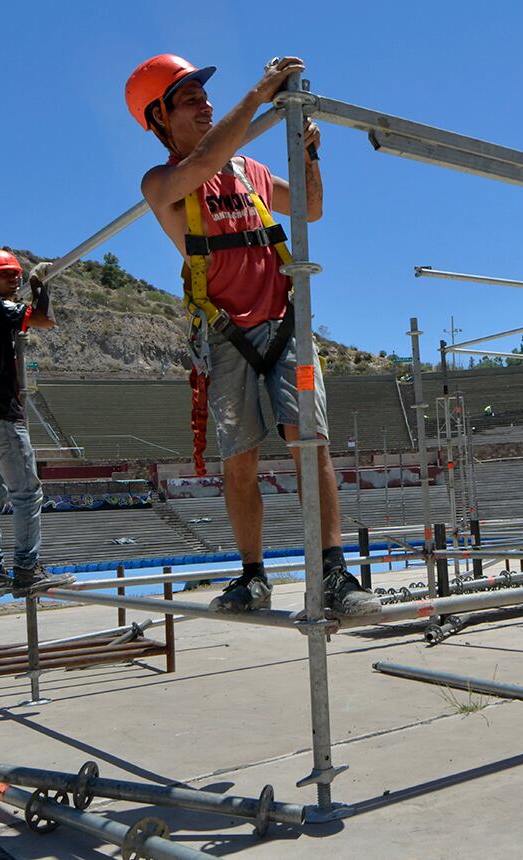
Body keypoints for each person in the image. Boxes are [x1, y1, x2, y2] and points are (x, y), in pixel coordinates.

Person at [128, 53, 377, 616]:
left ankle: (335, 573)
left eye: (204, 94)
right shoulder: (162, 182)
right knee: (239, 457)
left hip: (285, 328)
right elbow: (206, 157)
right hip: (225, 336)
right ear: (159, 117)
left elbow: (311, 209)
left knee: (310, 443)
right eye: (189, 97)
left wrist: (311, 155)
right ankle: (253, 576)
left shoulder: (249, 172)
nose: (205, 103)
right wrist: (262, 91)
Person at [0, 250, 75, 599]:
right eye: (4, 274)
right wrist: (40, 286)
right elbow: (44, 320)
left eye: (18, 274)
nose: (15, 279)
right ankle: (27, 570)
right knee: (26, 494)